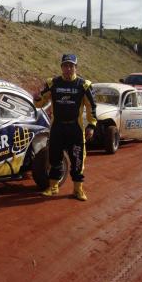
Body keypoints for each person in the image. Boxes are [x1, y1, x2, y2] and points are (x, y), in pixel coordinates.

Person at [34, 54, 97, 201]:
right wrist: (37, 98)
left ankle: (78, 189)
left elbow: (91, 107)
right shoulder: (53, 83)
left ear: (76, 67)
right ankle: (53, 187)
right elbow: (41, 102)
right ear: (61, 67)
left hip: (75, 129)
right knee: (54, 158)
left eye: (71, 66)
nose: (68, 68)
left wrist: (92, 125)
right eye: (65, 65)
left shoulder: (84, 85)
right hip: (57, 128)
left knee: (77, 159)